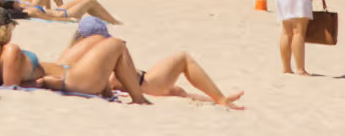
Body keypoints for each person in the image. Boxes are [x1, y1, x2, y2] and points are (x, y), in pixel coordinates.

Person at [58, 19, 243, 109]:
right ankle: (221, 99)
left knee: (180, 93)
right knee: (183, 58)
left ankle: (218, 100)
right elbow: (111, 81)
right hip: (147, 82)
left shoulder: (78, 58)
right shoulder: (100, 61)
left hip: (148, 84)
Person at [0, 8, 47, 87]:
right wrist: (41, 83)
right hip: (53, 73)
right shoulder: (10, 51)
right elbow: (11, 88)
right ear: (7, 29)